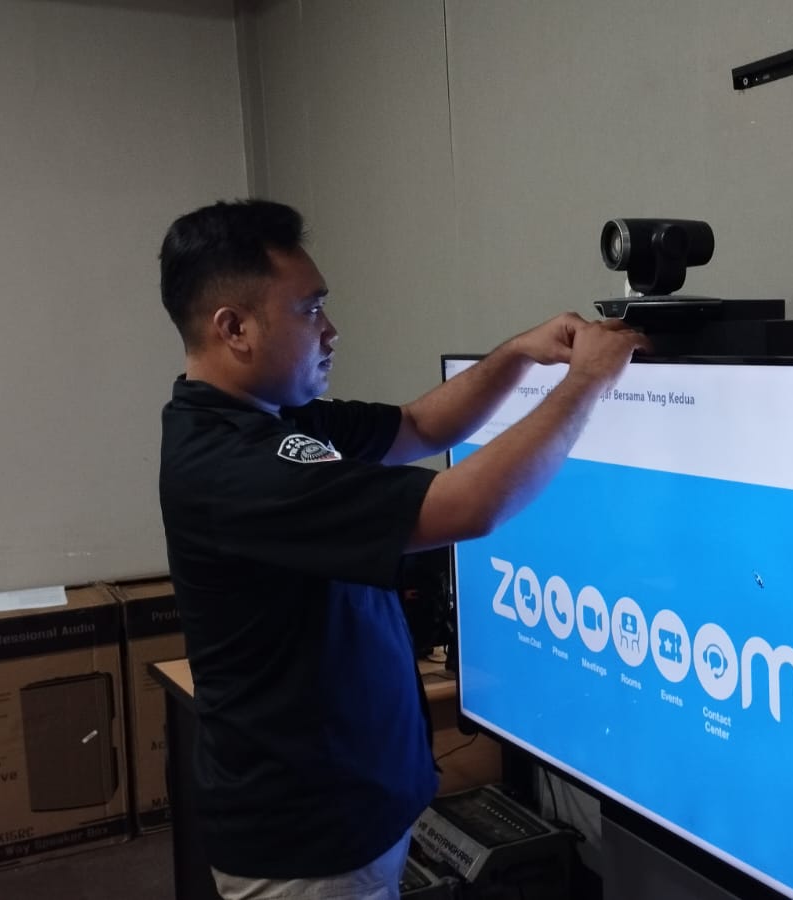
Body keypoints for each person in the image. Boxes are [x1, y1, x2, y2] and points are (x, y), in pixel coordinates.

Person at [156, 199, 647, 900]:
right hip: (309, 848)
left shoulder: (272, 420)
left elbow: (418, 426)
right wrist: (588, 381)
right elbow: (467, 506)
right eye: (309, 310)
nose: (330, 330)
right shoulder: (233, 467)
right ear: (233, 328)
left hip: (342, 815)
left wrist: (518, 353)